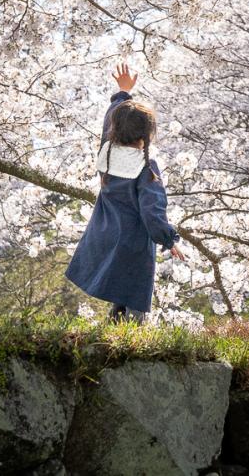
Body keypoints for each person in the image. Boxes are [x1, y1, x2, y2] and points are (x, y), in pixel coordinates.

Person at [66, 80, 185, 321]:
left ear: (115, 129)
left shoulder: (107, 153)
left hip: (106, 234)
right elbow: (152, 211)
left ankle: (116, 327)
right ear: (147, 133)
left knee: (119, 290)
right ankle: (131, 337)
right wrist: (168, 238)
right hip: (133, 243)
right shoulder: (145, 167)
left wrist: (122, 93)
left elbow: (107, 123)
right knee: (134, 295)